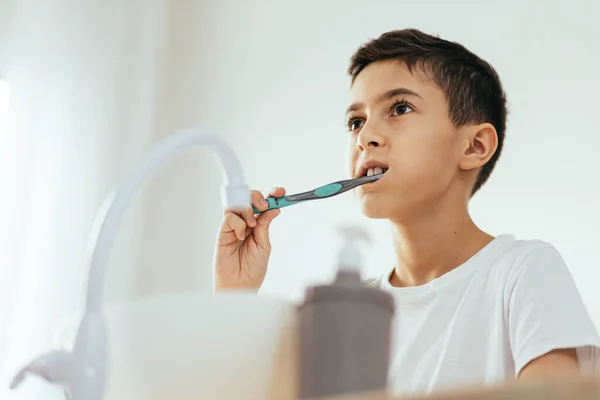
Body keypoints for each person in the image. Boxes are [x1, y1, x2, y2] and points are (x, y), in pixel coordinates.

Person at [211, 28, 600, 396]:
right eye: (355, 121)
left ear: (474, 146)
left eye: (399, 107)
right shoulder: (348, 314)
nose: (365, 137)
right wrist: (235, 294)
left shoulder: (522, 271)